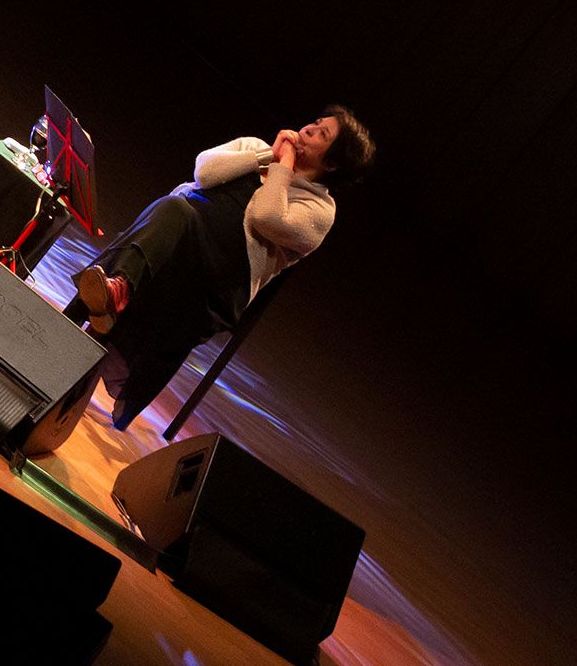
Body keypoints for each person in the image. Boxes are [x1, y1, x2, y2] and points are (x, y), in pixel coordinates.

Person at [66, 107, 375, 431]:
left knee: (172, 215)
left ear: (332, 163)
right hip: (174, 250)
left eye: (321, 134)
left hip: (217, 286)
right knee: (173, 212)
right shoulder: (255, 148)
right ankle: (118, 289)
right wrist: (266, 155)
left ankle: (118, 290)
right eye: (315, 123)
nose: (309, 130)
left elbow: (266, 217)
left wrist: (283, 166)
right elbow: (204, 172)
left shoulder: (320, 210)